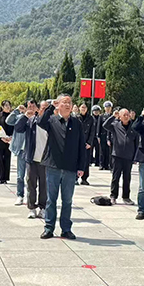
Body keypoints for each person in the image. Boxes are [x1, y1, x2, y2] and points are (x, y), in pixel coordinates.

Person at [38, 94, 85, 240]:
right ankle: (49, 228)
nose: (67, 105)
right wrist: (51, 107)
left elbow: (81, 146)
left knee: (67, 200)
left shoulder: (77, 123)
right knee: (51, 199)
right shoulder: (52, 120)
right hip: (53, 166)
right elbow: (40, 122)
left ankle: (66, 229)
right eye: (64, 102)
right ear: (58, 105)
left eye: (69, 102)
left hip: (70, 168)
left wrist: (81, 166)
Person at [15, 100, 49, 219]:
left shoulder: (51, 122)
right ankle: (31, 208)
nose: (45, 111)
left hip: (46, 159)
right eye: (43, 108)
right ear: (38, 109)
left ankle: (43, 208)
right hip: (31, 158)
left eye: (47, 109)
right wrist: (25, 116)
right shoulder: (31, 121)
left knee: (44, 186)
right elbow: (18, 128)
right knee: (31, 184)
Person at [103, 108, 139, 205]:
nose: (126, 117)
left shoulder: (133, 127)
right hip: (117, 155)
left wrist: (135, 157)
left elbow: (136, 143)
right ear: (120, 116)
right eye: (124, 115)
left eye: (128, 115)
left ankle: (126, 197)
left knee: (127, 178)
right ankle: (113, 196)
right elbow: (105, 125)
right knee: (116, 177)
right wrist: (113, 116)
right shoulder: (115, 125)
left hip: (128, 156)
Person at [6, 104, 27, 205]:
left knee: (32, 177)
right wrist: (16, 110)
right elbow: (8, 121)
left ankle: (31, 197)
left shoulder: (36, 118)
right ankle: (20, 195)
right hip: (22, 150)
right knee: (20, 175)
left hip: (33, 151)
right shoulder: (20, 117)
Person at [0, 100, 14, 184]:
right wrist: (2, 137)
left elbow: (14, 127)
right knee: (0, 159)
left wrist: (11, 137)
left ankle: (5, 178)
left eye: (9, 105)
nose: (8, 107)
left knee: (7, 158)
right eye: (6, 105)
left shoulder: (12, 115)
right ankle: (0, 177)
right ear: (2, 107)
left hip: (9, 140)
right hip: (0, 139)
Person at [78, 103, 96, 185]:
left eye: (85, 107)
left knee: (86, 161)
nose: (83, 109)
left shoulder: (90, 118)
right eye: (82, 107)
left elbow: (92, 131)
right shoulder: (76, 118)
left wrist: (89, 143)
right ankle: (76, 177)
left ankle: (84, 178)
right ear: (79, 108)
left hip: (87, 143)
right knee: (76, 160)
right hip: (78, 143)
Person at [97, 101, 113, 170]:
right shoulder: (101, 116)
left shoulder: (112, 116)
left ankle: (107, 164)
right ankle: (101, 164)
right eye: (107, 107)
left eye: (109, 107)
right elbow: (99, 126)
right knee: (102, 150)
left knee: (108, 151)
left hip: (110, 136)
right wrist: (98, 135)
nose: (108, 109)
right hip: (103, 135)